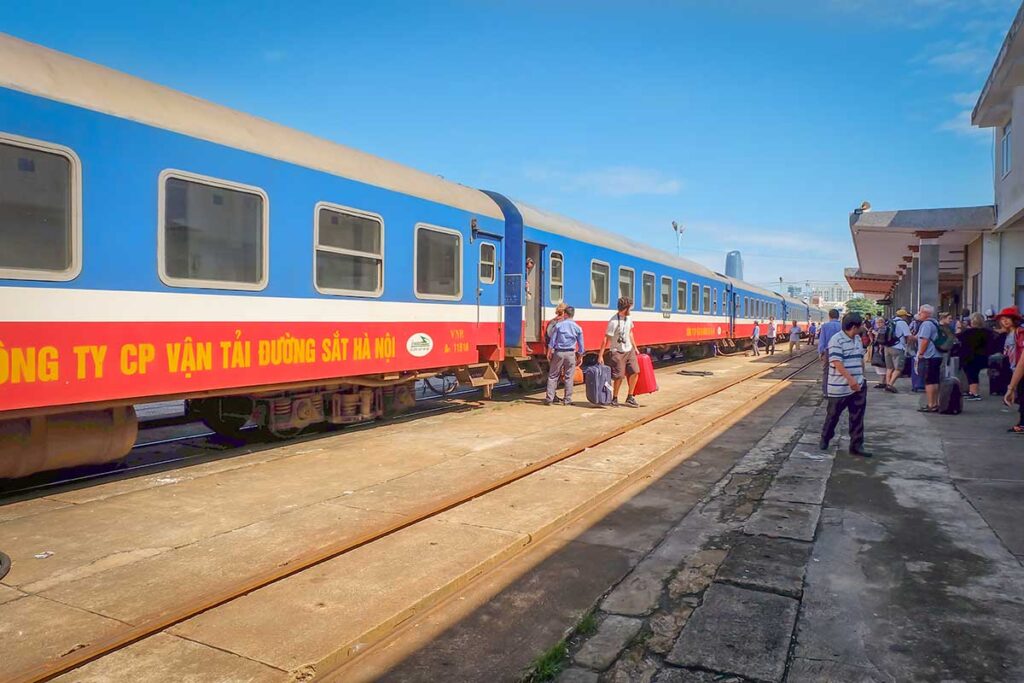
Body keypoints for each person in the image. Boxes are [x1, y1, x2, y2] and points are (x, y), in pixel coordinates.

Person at [820, 312, 871, 457]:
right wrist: (851, 380)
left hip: (858, 385)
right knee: (833, 415)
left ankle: (856, 446)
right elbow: (836, 362)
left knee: (857, 417)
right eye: (860, 325)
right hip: (839, 387)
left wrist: (861, 377)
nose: (862, 327)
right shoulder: (836, 340)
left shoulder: (857, 339)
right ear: (854, 326)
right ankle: (825, 437)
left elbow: (860, 358)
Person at [597, 297, 641, 408]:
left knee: (635, 371)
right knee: (619, 376)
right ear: (625, 308)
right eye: (629, 307)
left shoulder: (629, 318)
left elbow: (630, 333)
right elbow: (606, 339)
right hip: (617, 351)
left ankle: (630, 396)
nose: (630, 309)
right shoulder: (613, 321)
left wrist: (635, 348)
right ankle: (615, 398)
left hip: (629, 349)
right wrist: (600, 355)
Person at [545, 305, 584, 406]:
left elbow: (552, 341)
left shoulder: (558, 326)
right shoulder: (578, 328)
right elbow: (581, 345)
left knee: (553, 376)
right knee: (569, 377)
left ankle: (549, 399)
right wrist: (580, 357)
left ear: (565, 314)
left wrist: (549, 352)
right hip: (571, 353)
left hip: (559, 352)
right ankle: (567, 400)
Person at [997, 307, 1024, 433]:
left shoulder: (1020, 333)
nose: (1005, 321)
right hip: (1016, 369)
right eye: (1002, 319)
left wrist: (1011, 387)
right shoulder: (1009, 335)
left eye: (1008, 318)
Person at [912, 304, 943, 412]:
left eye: (920, 312)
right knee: (935, 380)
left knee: (929, 381)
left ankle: (931, 404)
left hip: (929, 355)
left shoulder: (926, 324)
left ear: (926, 313)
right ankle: (935, 403)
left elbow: (924, 340)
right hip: (937, 355)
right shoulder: (935, 322)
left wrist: (920, 353)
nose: (919, 314)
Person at [958, 313, 993, 401]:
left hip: (969, 357)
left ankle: (974, 393)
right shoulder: (988, 332)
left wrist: (959, 329)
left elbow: (958, 340)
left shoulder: (967, 332)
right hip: (983, 356)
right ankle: (972, 391)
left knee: (971, 374)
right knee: (974, 374)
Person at [880, 308, 912, 393]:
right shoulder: (903, 323)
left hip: (887, 347)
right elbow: (908, 336)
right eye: (906, 316)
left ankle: (887, 384)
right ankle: (890, 384)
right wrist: (908, 346)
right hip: (898, 347)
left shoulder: (890, 322)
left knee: (889, 368)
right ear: (903, 316)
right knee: (898, 369)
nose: (907, 318)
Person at [817, 309, 842, 396]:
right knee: (840, 371)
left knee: (826, 371)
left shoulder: (825, 326)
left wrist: (820, 352)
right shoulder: (842, 326)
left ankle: (826, 392)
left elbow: (822, 340)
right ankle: (838, 390)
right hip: (840, 351)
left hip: (828, 351)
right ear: (838, 316)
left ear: (829, 316)